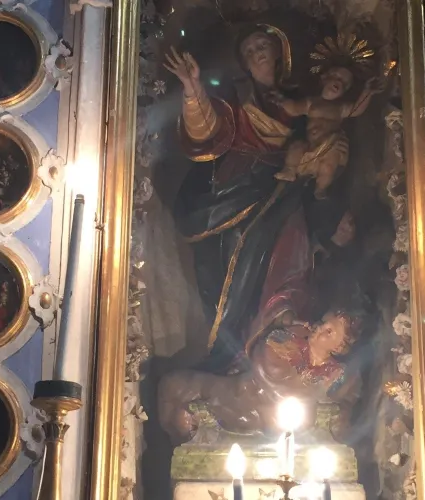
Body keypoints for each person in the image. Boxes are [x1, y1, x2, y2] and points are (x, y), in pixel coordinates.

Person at [165, 25, 345, 372]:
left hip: (283, 189)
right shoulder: (238, 98)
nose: (256, 53)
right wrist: (192, 87)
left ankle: (267, 343)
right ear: (244, 64)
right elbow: (206, 131)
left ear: (280, 51)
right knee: (225, 257)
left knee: (288, 251)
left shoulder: (303, 100)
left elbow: (324, 138)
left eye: (262, 45)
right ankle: (225, 352)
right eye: (248, 51)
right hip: (234, 190)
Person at [158, 304, 364, 445]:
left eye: (329, 331)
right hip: (239, 395)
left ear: (340, 347)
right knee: (173, 387)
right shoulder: (283, 341)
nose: (320, 328)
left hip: (273, 425)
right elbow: (272, 379)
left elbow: (341, 414)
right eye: (322, 322)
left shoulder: (339, 376)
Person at [273, 69, 384, 198]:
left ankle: (321, 188)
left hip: (330, 145)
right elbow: (294, 108)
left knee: (328, 166)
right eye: (336, 77)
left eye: (344, 83)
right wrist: (281, 101)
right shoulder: (311, 102)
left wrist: (367, 92)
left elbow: (356, 110)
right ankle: (289, 170)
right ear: (324, 78)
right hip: (311, 145)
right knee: (296, 147)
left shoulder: (340, 108)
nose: (339, 83)